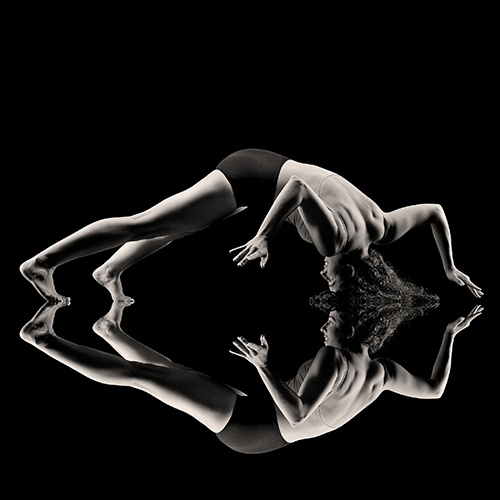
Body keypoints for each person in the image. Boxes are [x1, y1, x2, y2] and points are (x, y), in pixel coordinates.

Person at [19, 298, 483, 454]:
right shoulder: (382, 372)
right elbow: (436, 389)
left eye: (334, 318)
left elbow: (299, 414)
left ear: (358, 325)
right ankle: (108, 329)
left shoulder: (332, 358)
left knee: (143, 378)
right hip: (263, 428)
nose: (324, 323)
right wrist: (449, 335)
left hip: (254, 427)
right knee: (177, 375)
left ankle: (42, 338)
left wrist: (264, 368)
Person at [20, 149, 482, 303]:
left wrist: (450, 268)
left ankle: (109, 272)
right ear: (353, 270)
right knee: (146, 222)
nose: (325, 276)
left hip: (264, 175)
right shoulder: (336, 240)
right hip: (251, 176)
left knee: (182, 226)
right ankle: (43, 262)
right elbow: (299, 186)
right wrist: (263, 236)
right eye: (336, 281)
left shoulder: (383, 227)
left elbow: (437, 211)